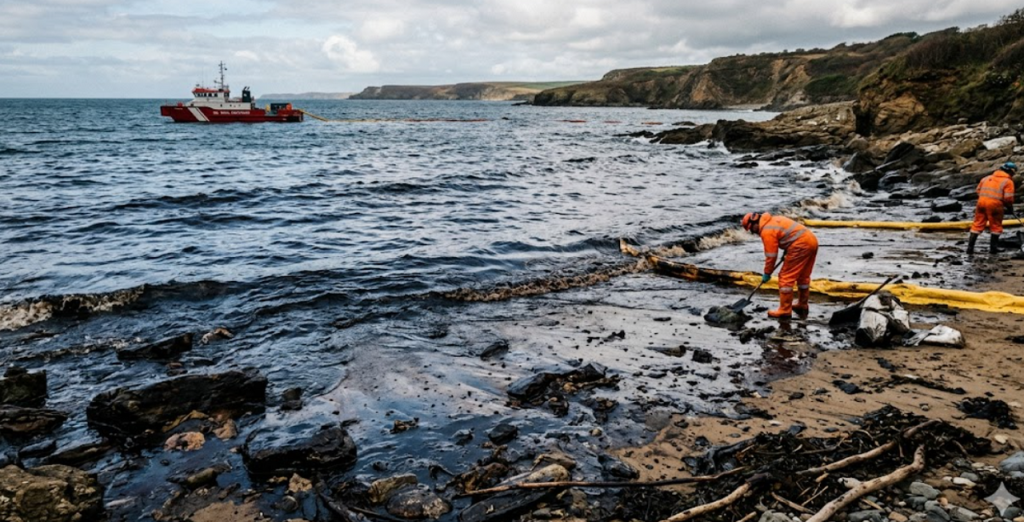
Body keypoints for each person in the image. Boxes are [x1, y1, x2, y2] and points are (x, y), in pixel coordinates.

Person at [741, 212, 819, 319]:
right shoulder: (775, 220)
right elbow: (790, 235)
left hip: (800, 245)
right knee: (803, 276)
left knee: (785, 277)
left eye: (752, 230)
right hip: (812, 241)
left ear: (754, 223)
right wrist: (787, 250)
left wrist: (767, 273)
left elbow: (771, 256)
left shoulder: (766, 231)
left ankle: (785, 310)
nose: (754, 232)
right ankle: (802, 304)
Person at [968, 161, 1016, 255]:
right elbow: (1008, 199)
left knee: (977, 224)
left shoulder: (986, 178)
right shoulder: (1008, 182)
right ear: (1011, 171)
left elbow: (978, 190)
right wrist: (1010, 208)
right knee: (996, 226)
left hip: (981, 203)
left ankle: (970, 248)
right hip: (995, 205)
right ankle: (993, 249)